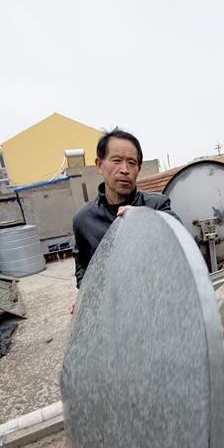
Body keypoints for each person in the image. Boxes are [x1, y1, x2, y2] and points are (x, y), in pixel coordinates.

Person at [68, 128, 180, 313]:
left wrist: (145, 218)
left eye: (132, 163)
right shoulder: (84, 220)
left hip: (158, 306)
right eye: (117, 160)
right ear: (99, 164)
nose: (125, 170)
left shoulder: (157, 205)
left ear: (138, 169)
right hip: (114, 312)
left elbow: (181, 239)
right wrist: (85, 294)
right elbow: (83, 267)